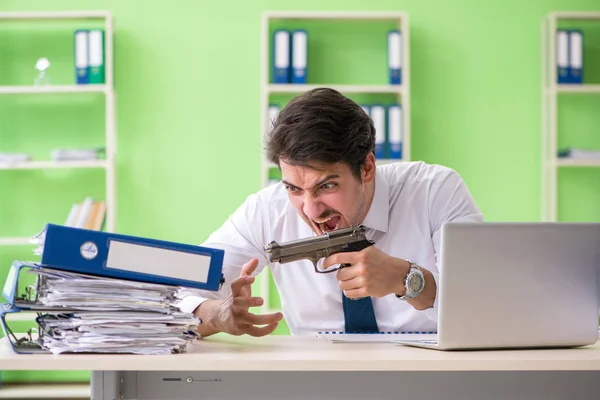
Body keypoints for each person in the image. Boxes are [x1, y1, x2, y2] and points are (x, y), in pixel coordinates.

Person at [178, 87, 483, 337]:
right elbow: (172, 295)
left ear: (366, 167)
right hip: (315, 384)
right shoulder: (266, 211)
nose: (310, 210)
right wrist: (216, 315)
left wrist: (409, 280)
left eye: (326, 186)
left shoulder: (434, 191)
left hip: (431, 381)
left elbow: (486, 307)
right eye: (294, 189)